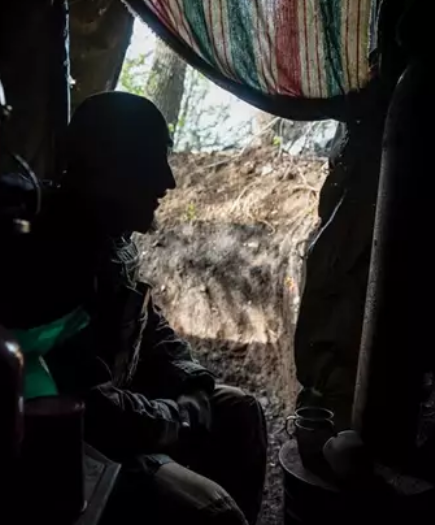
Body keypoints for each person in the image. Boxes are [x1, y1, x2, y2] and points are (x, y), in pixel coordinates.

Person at [39, 92, 267, 525]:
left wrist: (191, 380)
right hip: (72, 444)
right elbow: (91, 407)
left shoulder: (109, 238)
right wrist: (176, 419)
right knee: (213, 512)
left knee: (239, 410)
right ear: (105, 167)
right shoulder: (53, 255)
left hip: (119, 413)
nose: (169, 181)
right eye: (150, 163)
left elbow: (146, 320)